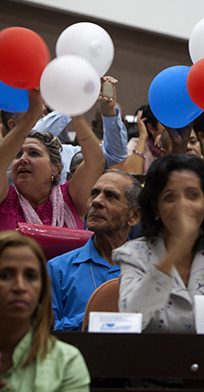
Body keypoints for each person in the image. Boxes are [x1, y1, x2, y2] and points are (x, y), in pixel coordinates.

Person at [113, 155, 204, 390]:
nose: (182, 206)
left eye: (193, 195)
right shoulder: (133, 255)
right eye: (170, 197)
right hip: (155, 382)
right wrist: (176, 249)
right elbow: (131, 319)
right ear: (155, 207)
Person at [48, 170, 141, 331]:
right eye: (94, 193)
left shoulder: (154, 270)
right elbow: (42, 334)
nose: (97, 201)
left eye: (111, 196)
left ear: (133, 216)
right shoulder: (57, 270)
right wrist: (91, 317)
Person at [0, 91, 105, 231]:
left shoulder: (71, 197)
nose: (23, 159)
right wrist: (31, 116)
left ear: (56, 168)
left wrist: (77, 114)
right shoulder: (4, 198)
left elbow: (95, 161)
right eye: (18, 155)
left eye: (34, 153)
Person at [0, 231, 90, 391]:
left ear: (42, 289)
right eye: (5, 275)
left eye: (31, 276)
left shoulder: (66, 362)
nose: (20, 286)